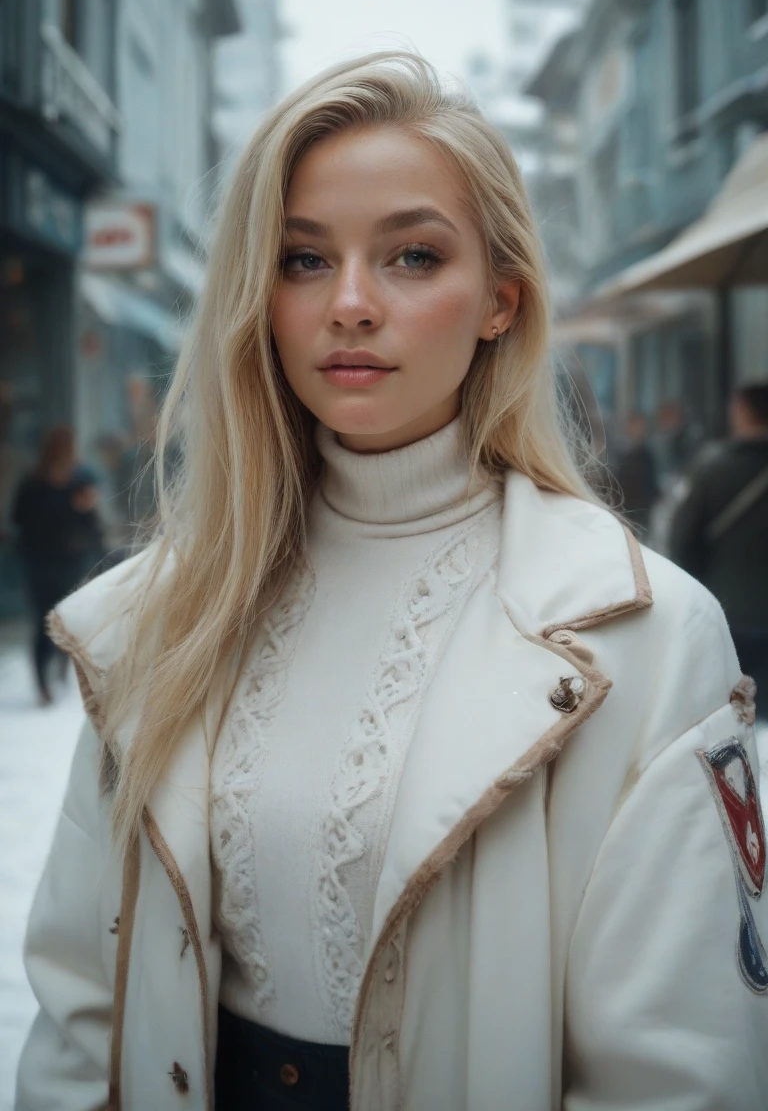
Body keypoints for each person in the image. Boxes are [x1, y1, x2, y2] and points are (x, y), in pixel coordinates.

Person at [16, 55, 768, 1111]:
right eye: (303, 259)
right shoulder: (158, 615)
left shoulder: (642, 634)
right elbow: (79, 1006)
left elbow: (678, 1072)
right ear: (258, 297)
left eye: (413, 256)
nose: (352, 304)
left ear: (501, 301)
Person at [671, 383, 768, 719]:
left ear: (742, 412)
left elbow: (682, 541)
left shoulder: (711, 469)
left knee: (736, 719)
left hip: (729, 613)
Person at [11, 425, 103, 704]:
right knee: (45, 622)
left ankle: (59, 669)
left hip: (64, 561)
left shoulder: (78, 482)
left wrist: (86, 510)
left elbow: (91, 526)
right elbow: (18, 518)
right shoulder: (33, 482)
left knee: (62, 619)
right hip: (41, 562)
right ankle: (44, 684)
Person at [610, 412, 660, 539]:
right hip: (626, 507)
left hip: (643, 508)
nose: (636, 430)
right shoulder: (621, 453)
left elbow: (652, 481)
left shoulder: (648, 455)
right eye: (633, 426)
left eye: (639, 426)